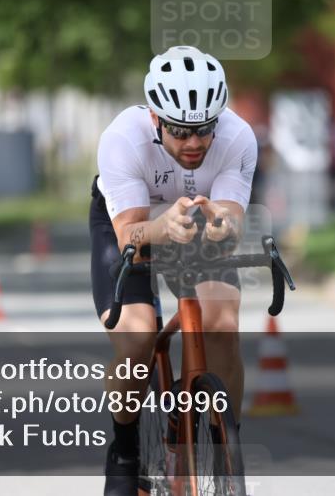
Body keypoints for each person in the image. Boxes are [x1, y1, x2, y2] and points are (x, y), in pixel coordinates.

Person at [90, 46, 257, 495]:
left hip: (195, 224)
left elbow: (231, 219)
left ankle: (224, 447)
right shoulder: (123, 137)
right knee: (140, 337)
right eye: (181, 131)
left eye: (204, 129)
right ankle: (125, 448)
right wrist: (162, 228)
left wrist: (223, 226)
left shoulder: (238, 137)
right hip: (132, 226)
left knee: (222, 322)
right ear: (157, 120)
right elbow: (129, 235)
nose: (194, 142)